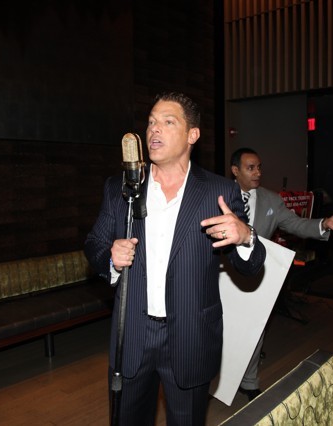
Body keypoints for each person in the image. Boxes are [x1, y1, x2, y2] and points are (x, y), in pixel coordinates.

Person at [85, 92, 266, 425]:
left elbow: (250, 265)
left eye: (168, 122)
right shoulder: (121, 188)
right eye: (151, 122)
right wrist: (110, 258)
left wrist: (245, 236)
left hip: (191, 337)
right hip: (133, 336)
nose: (154, 129)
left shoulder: (219, 192)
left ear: (192, 135)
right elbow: (94, 243)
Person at [230, 147, 333, 400]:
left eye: (259, 167)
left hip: (255, 275)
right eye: (250, 168)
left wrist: (324, 224)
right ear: (235, 170)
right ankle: (215, 379)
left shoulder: (271, 200)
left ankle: (249, 381)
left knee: (255, 329)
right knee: (220, 331)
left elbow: (295, 224)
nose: (258, 173)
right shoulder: (216, 194)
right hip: (223, 274)